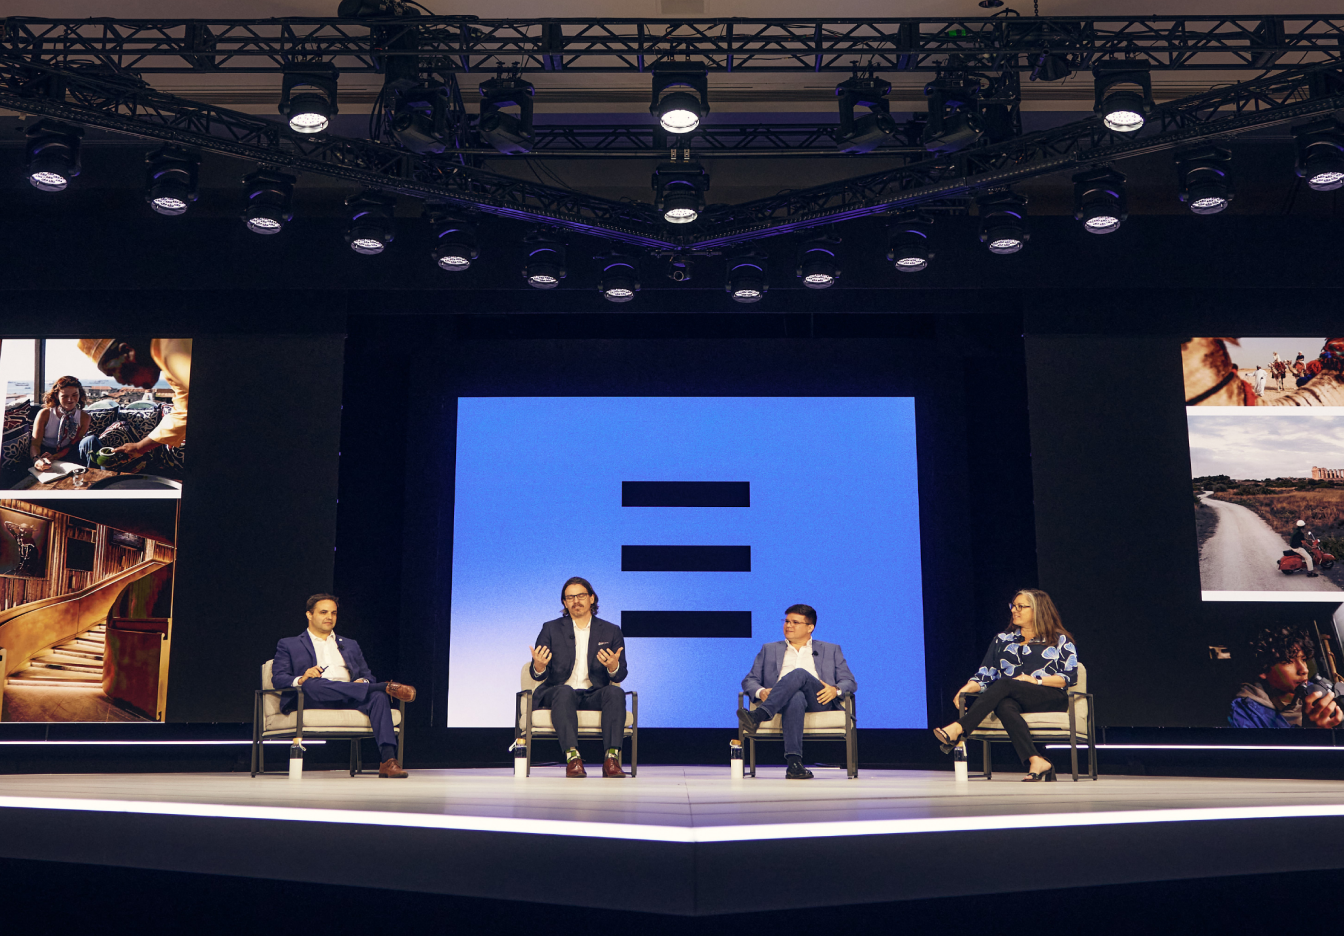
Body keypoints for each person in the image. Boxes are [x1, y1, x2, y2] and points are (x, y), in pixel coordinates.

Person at [933, 589, 1079, 782]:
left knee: (1004, 685)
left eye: (1021, 607)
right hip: (1013, 694)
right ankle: (1036, 760)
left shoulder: (1059, 639)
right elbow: (986, 673)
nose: (1014, 611)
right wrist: (968, 687)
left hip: (1049, 696)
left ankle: (959, 728)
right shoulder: (1002, 640)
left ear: (1038, 610)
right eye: (1013, 606)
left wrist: (1035, 680)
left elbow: (1069, 676)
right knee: (1004, 704)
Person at [271, 594, 417, 778]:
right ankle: (383, 687)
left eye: (333, 613)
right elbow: (278, 678)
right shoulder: (289, 644)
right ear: (309, 615)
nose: (329, 617)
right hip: (312, 698)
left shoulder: (350, 644)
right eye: (323, 612)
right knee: (312, 684)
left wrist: (363, 683)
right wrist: (302, 678)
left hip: (350, 697)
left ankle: (388, 761)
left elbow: (367, 675)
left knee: (378, 697)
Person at [736, 604, 857, 780]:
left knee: (799, 673)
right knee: (795, 696)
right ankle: (794, 764)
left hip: (819, 700)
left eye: (795, 622)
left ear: (810, 627)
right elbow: (749, 680)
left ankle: (759, 715)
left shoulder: (831, 649)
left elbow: (850, 682)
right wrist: (761, 692)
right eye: (786, 621)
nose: (788, 626)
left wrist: (835, 690)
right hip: (782, 703)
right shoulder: (769, 649)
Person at [526, 576, 629, 778]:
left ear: (592, 598)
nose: (576, 601)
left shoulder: (611, 630)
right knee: (565, 692)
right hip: (558, 692)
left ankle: (611, 759)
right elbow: (536, 672)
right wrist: (538, 666)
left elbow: (621, 673)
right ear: (564, 602)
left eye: (581, 595)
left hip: (594, 693)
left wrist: (613, 666)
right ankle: (573, 758)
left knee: (615, 692)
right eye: (570, 597)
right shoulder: (551, 628)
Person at [76, 337, 190, 461]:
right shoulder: (169, 369)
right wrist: (139, 447)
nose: (120, 381)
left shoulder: (173, 351)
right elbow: (183, 413)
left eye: (113, 371)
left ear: (127, 351)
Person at [1228, 624, 1344, 728]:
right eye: (1288, 662)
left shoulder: (1316, 693)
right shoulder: (1244, 714)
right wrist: (1310, 733)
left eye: (1303, 659)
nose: (1304, 670)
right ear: (1263, 669)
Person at [29, 376, 91, 471]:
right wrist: (36, 460)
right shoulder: (45, 414)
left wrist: (56, 456)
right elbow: (35, 444)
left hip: (69, 452)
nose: (70, 400)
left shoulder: (84, 417)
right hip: (44, 453)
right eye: (65, 396)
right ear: (56, 396)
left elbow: (74, 444)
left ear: (80, 395)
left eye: (75, 395)